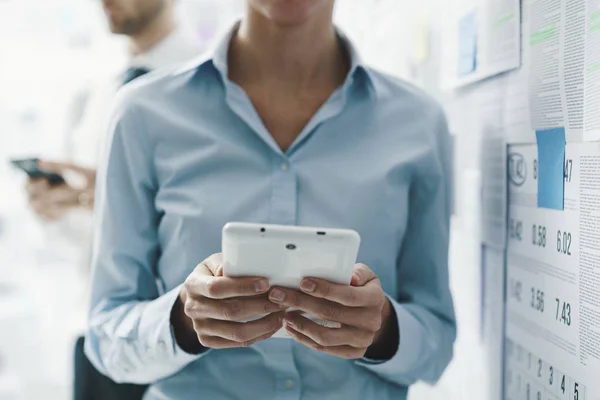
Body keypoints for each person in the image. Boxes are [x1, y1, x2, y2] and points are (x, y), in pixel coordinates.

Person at [85, 0, 456, 399]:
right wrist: (182, 320)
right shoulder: (141, 114)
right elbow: (107, 338)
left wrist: (383, 329)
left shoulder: (418, 122)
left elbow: (436, 345)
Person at [23, 0, 203, 398]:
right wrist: (54, 208)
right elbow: (81, 245)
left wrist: (106, 197)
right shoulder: (95, 94)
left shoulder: (210, 90)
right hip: (94, 337)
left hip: (179, 342)